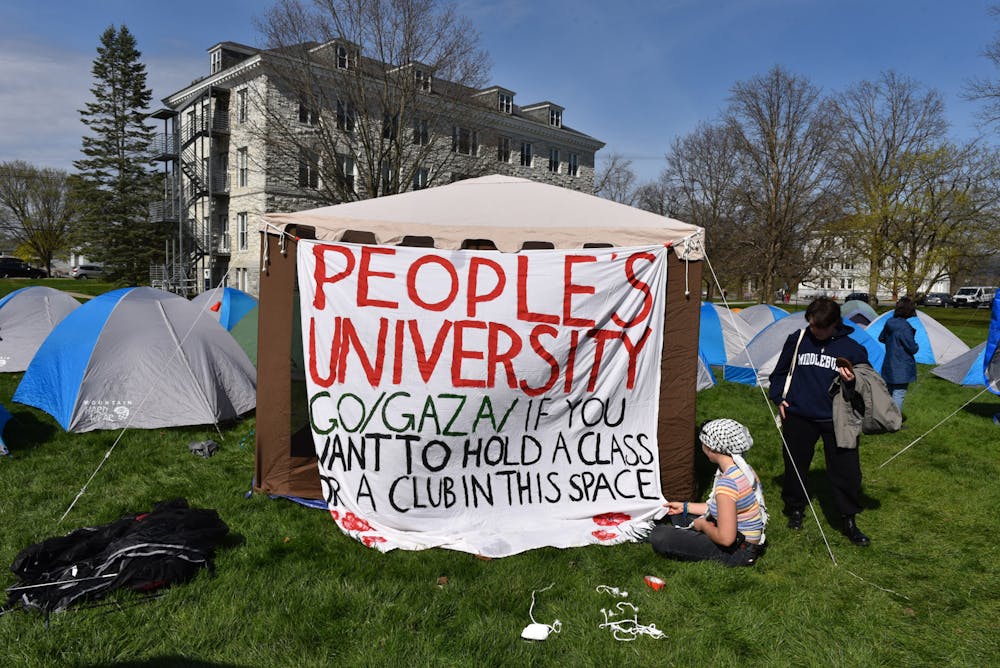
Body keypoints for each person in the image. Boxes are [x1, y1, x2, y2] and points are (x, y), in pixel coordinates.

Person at [768, 297, 872, 546]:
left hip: (837, 420)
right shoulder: (798, 339)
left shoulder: (853, 349)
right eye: (812, 325)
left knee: (846, 471)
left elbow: (868, 386)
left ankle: (848, 519)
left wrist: (851, 381)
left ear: (834, 323)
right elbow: (779, 373)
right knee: (795, 465)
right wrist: (780, 398)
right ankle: (795, 509)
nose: (815, 331)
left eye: (820, 327)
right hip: (799, 416)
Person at [649, 419, 767, 567]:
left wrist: (704, 525)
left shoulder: (727, 483)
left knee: (660, 535)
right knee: (680, 514)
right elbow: (722, 508)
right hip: (744, 540)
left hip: (739, 550)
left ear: (711, 447)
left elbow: (726, 539)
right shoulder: (743, 469)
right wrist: (684, 507)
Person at [878, 297, 919, 412]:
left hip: (889, 363)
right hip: (902, 366)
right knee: (899, 394)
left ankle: (886, 418)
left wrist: (892, 343)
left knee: (890, 392)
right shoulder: (905, 327)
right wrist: (916, 346)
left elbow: (881, 338)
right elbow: (912, 348)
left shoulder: (889, 322)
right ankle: (895, 422)